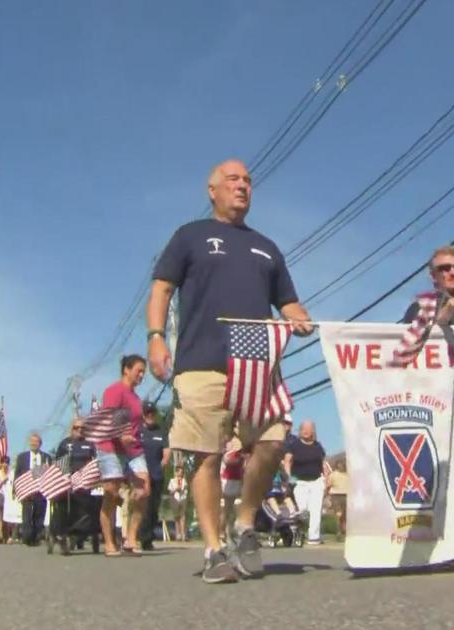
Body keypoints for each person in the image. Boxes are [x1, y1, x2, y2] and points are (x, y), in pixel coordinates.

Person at [147, 158, 314, 583]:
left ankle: (244, 524)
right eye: (233, 179)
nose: (242, 186)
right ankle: (213, 549)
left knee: (273, 442)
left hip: (258, 363)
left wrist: (299, 316)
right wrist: (155, 337)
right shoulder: (190, 236)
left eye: (248, 181)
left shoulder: (266, 247)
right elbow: (162, 288)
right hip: (201, 363)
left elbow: (288, 302)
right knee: (208, 455)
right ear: (212, 189)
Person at [94, 355, 152, 556]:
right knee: (111, 492)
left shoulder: (136, 398)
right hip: (110, 446)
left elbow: (135, 423)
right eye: (139, 370)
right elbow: (109, 418)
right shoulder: (114, 391)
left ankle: (131, 538)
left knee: (144, 490)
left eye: (144, 371)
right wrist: (120, 435)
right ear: (126, 370)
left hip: (133, 449)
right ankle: (109, 542)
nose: (142, 375)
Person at [399, 245, 454, 326]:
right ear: (433, 276)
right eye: (445, 268)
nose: (453, 272)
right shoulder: (422, 307)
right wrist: (443, 318)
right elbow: (413, 339)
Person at [52, 418, 101, 555]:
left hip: (84, 483)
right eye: (76, 427)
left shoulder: (90, 444)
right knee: (62, 505)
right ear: (71, 429)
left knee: (91, 506)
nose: (80, 430)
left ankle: (81, 532)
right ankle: (61, 534)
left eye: (82, 428)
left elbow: (95, 462)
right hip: (67, 483)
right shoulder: (64, 444)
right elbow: (57, 464)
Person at [283, 421, 328, 545]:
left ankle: (314, 537)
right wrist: (289, 478)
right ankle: (298, 529)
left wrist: (326, 479)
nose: (307, 431)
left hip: (316, 482)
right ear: (300, 431)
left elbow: (323, 463)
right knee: (303, 510)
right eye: (304, 429)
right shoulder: (294, 445)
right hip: (300, 482)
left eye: (309, 429)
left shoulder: (318, 446)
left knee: (316, 509)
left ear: (313, 431)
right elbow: (287, 461)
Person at [139, 402, 170, 551]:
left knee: (153, 508)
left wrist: (161, 465)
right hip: (140, 475)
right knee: (141, 507)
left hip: (156, 475)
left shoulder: (161, 431)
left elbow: (167, 452)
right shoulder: (138, 431)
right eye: (147, 412)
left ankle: (147, 537)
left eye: (152, 413)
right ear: (143, 414)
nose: (150, 415)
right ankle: (139, 536)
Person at [15, 432, 53, 546]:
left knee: (39, 515)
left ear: (40, 444)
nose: (33, 444)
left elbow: (50, 473)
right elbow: (17, 474)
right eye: (32, 441)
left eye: (36, 442)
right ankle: (27, 537)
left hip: (41, 491)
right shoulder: (22, 457)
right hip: (26, 490)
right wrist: (16, 489)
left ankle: (36, 537)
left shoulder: (46, 457)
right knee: (27, 515)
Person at [220, 440, 245, 544]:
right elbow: (229, 462)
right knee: (227, 508)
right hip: (228, 481)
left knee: (236, 510)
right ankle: (221, 532)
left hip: (238, 481)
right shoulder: (228, 455)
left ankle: (230, 532)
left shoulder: (241, 455)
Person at [327, 460, 350, 541]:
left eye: (343, 464)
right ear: (337, 466)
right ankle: (339, 531)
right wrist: (326, 495)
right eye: (339, 465)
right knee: (339, 514)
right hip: (336, 496)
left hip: (347, 496)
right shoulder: (333, 474)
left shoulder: (349, 474)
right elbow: (328, 485)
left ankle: (343, 531)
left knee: (345, 516)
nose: (341, 466)